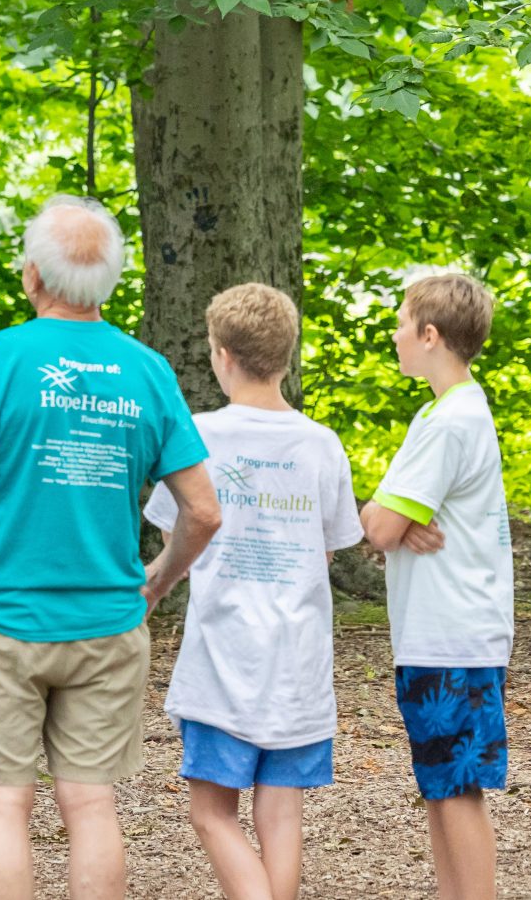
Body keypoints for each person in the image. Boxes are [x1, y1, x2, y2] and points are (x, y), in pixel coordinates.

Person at [0, 195, 222, 900]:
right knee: (90, 803)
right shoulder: (147, 371)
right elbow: (205, 512)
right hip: (106, 626)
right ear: (111, 281)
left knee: (3, 802)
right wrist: (158, 577)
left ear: (33, 274)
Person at [143, 283, 363, 900]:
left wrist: (156, 583)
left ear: (221, 354)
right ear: (286, 355)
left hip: (224, 657)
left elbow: (175, 536)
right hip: (299, 662)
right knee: (282, 817)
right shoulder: (322, 444)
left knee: (212, 814)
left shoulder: (198, 436)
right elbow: (324, 550)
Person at [359, 273, 511, 900]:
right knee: (442, 785)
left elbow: (379, 525)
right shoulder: (442, 413)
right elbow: (391, 524)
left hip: (452, 637)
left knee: (455, 788)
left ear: (429, 334)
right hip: (444, 633)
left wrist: (391, 521)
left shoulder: (450, 422)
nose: (394, 336)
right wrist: (394, 522)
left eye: (401, 324)